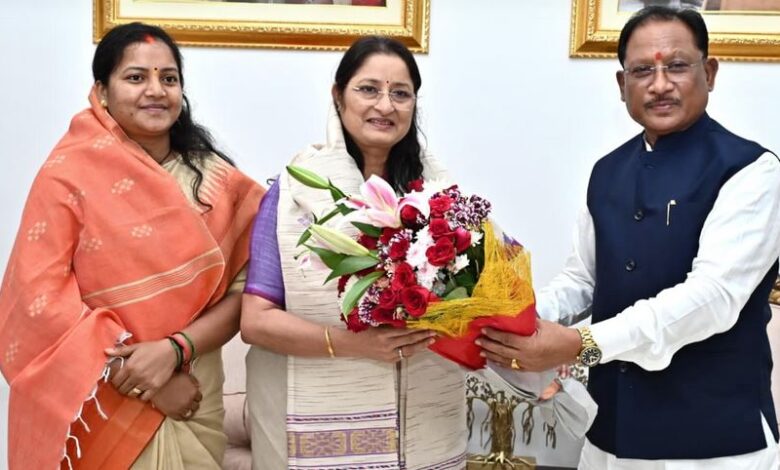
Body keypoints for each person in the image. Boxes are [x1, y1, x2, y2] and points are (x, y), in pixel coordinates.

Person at [477, 6, 780, 469]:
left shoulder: (750, 170)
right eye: (642, 71)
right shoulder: (607, 171)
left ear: (709, 73)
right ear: (622, 86)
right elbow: (582, 281)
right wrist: (507, 319)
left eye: (676, 66)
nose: (659, 84)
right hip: (612, 432)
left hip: (715, 439)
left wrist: (580, 343)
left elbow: (713, 298)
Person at [0, 22, 263, 469]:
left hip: (194, 391)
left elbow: (247, 296)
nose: (156, 90)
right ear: (102, 92)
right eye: (136, 77)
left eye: (169, 78)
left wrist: (175, 350)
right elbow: (37, 304)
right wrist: (143, 378)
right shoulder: (67, 177)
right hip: (102, 397)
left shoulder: (217, 184)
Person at [240, 36, 467, 469]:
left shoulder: (440, 196)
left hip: (427, 422)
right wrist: (354, 344)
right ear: (338, 96)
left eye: (400, 94)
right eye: (368, 89)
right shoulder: (294, 195)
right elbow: (256, 321)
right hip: (319, 413)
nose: (385, 105)